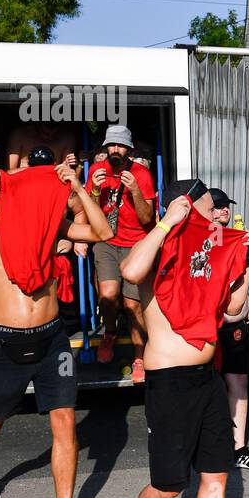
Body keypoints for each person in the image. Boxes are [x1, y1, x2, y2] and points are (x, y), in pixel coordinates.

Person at [104, 178, 249, 498]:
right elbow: (129, 271)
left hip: (207, 379)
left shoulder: (205, 255)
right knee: (169, 483)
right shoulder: (161, 251)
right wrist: (165, 222)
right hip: (169, 382)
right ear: (185, 209)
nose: (217, 216)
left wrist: (246, 265)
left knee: (216, 474)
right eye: (210, 209)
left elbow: (231, 311)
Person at [0, 159, 113, 498]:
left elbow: (103, 231)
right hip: (6, 344)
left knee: (65, 422)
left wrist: (76, 187)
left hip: (52, 341)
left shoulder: (54, 228)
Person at [87, 124, 157, 382]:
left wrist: (136, 191)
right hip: (106, 240)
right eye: (111, 145)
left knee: (132, 305)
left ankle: (140, 355)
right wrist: (94, 191)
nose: (115, 150)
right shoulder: (96, 171)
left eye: (120, 145)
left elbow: (147, 218)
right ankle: (110, 333)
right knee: (107, 295)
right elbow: (93, 214)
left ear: (129, 149)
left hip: (135, 244)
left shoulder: (141, 174)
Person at [208, 189, 249, 471]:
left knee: (239, 384)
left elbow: (237, 285)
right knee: (207, 386)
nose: (223, 212)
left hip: (234, 325)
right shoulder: (204, 239)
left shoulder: (235, 239)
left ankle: (238, 448)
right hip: (209, 325)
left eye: (226, 208)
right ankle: (203, 447)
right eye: (217, 207)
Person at [6, 122, 76, 171]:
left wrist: (65, 166)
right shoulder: (20, 135)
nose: (50, 133)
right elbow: (10, 173)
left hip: (52, 184)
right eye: (47, 125)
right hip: (23, 183)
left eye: (54, 126)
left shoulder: (66, 138)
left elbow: (68, 177)